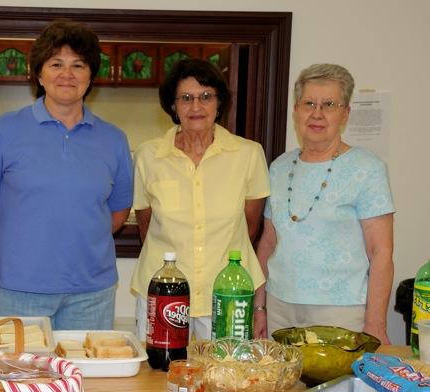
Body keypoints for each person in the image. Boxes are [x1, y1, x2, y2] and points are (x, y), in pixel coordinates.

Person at [0, 20, 133, 330]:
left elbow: (118, 211)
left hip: (91, 294)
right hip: (18, 291)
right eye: (56, 63)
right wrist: (20, 245)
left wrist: (78, 243)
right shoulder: (3, 130)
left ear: (90, 76)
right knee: (18, 376)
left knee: (87, 378)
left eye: (78, 65)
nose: (67, 74)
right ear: (39, 74)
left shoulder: (114, 139)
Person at [254, 63, 395, 344]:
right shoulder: (280, 167)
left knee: (334, 389)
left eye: (329, 104)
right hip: (280, 307)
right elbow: (268, 243)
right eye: (309, 103)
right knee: (281, 386)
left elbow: (381, 252)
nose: (317, 113)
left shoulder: (367, 168)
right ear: (296, 110)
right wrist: (260, 308)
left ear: (345, 114)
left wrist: (375, 325)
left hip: (340, 313)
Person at [131, 58, 270, 341]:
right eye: (186, 98)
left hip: (225, 294)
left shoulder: (249, 155)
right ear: (173, 105)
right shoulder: (148, 156)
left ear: (219, 104)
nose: (196, 106)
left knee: (226, 377)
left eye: (206, 96)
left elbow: (251, 227)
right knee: (158, 376)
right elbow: (147, 227)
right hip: (163, 293)